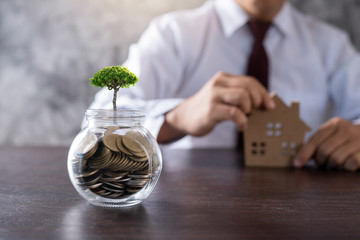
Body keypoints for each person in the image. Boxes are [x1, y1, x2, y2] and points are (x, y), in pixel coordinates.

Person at [89, 0, 360, 172]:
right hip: (184, 207)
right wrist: (177, 117)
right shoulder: (173, 33)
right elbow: (97, 122)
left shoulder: (332, 45)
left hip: (300, 208)